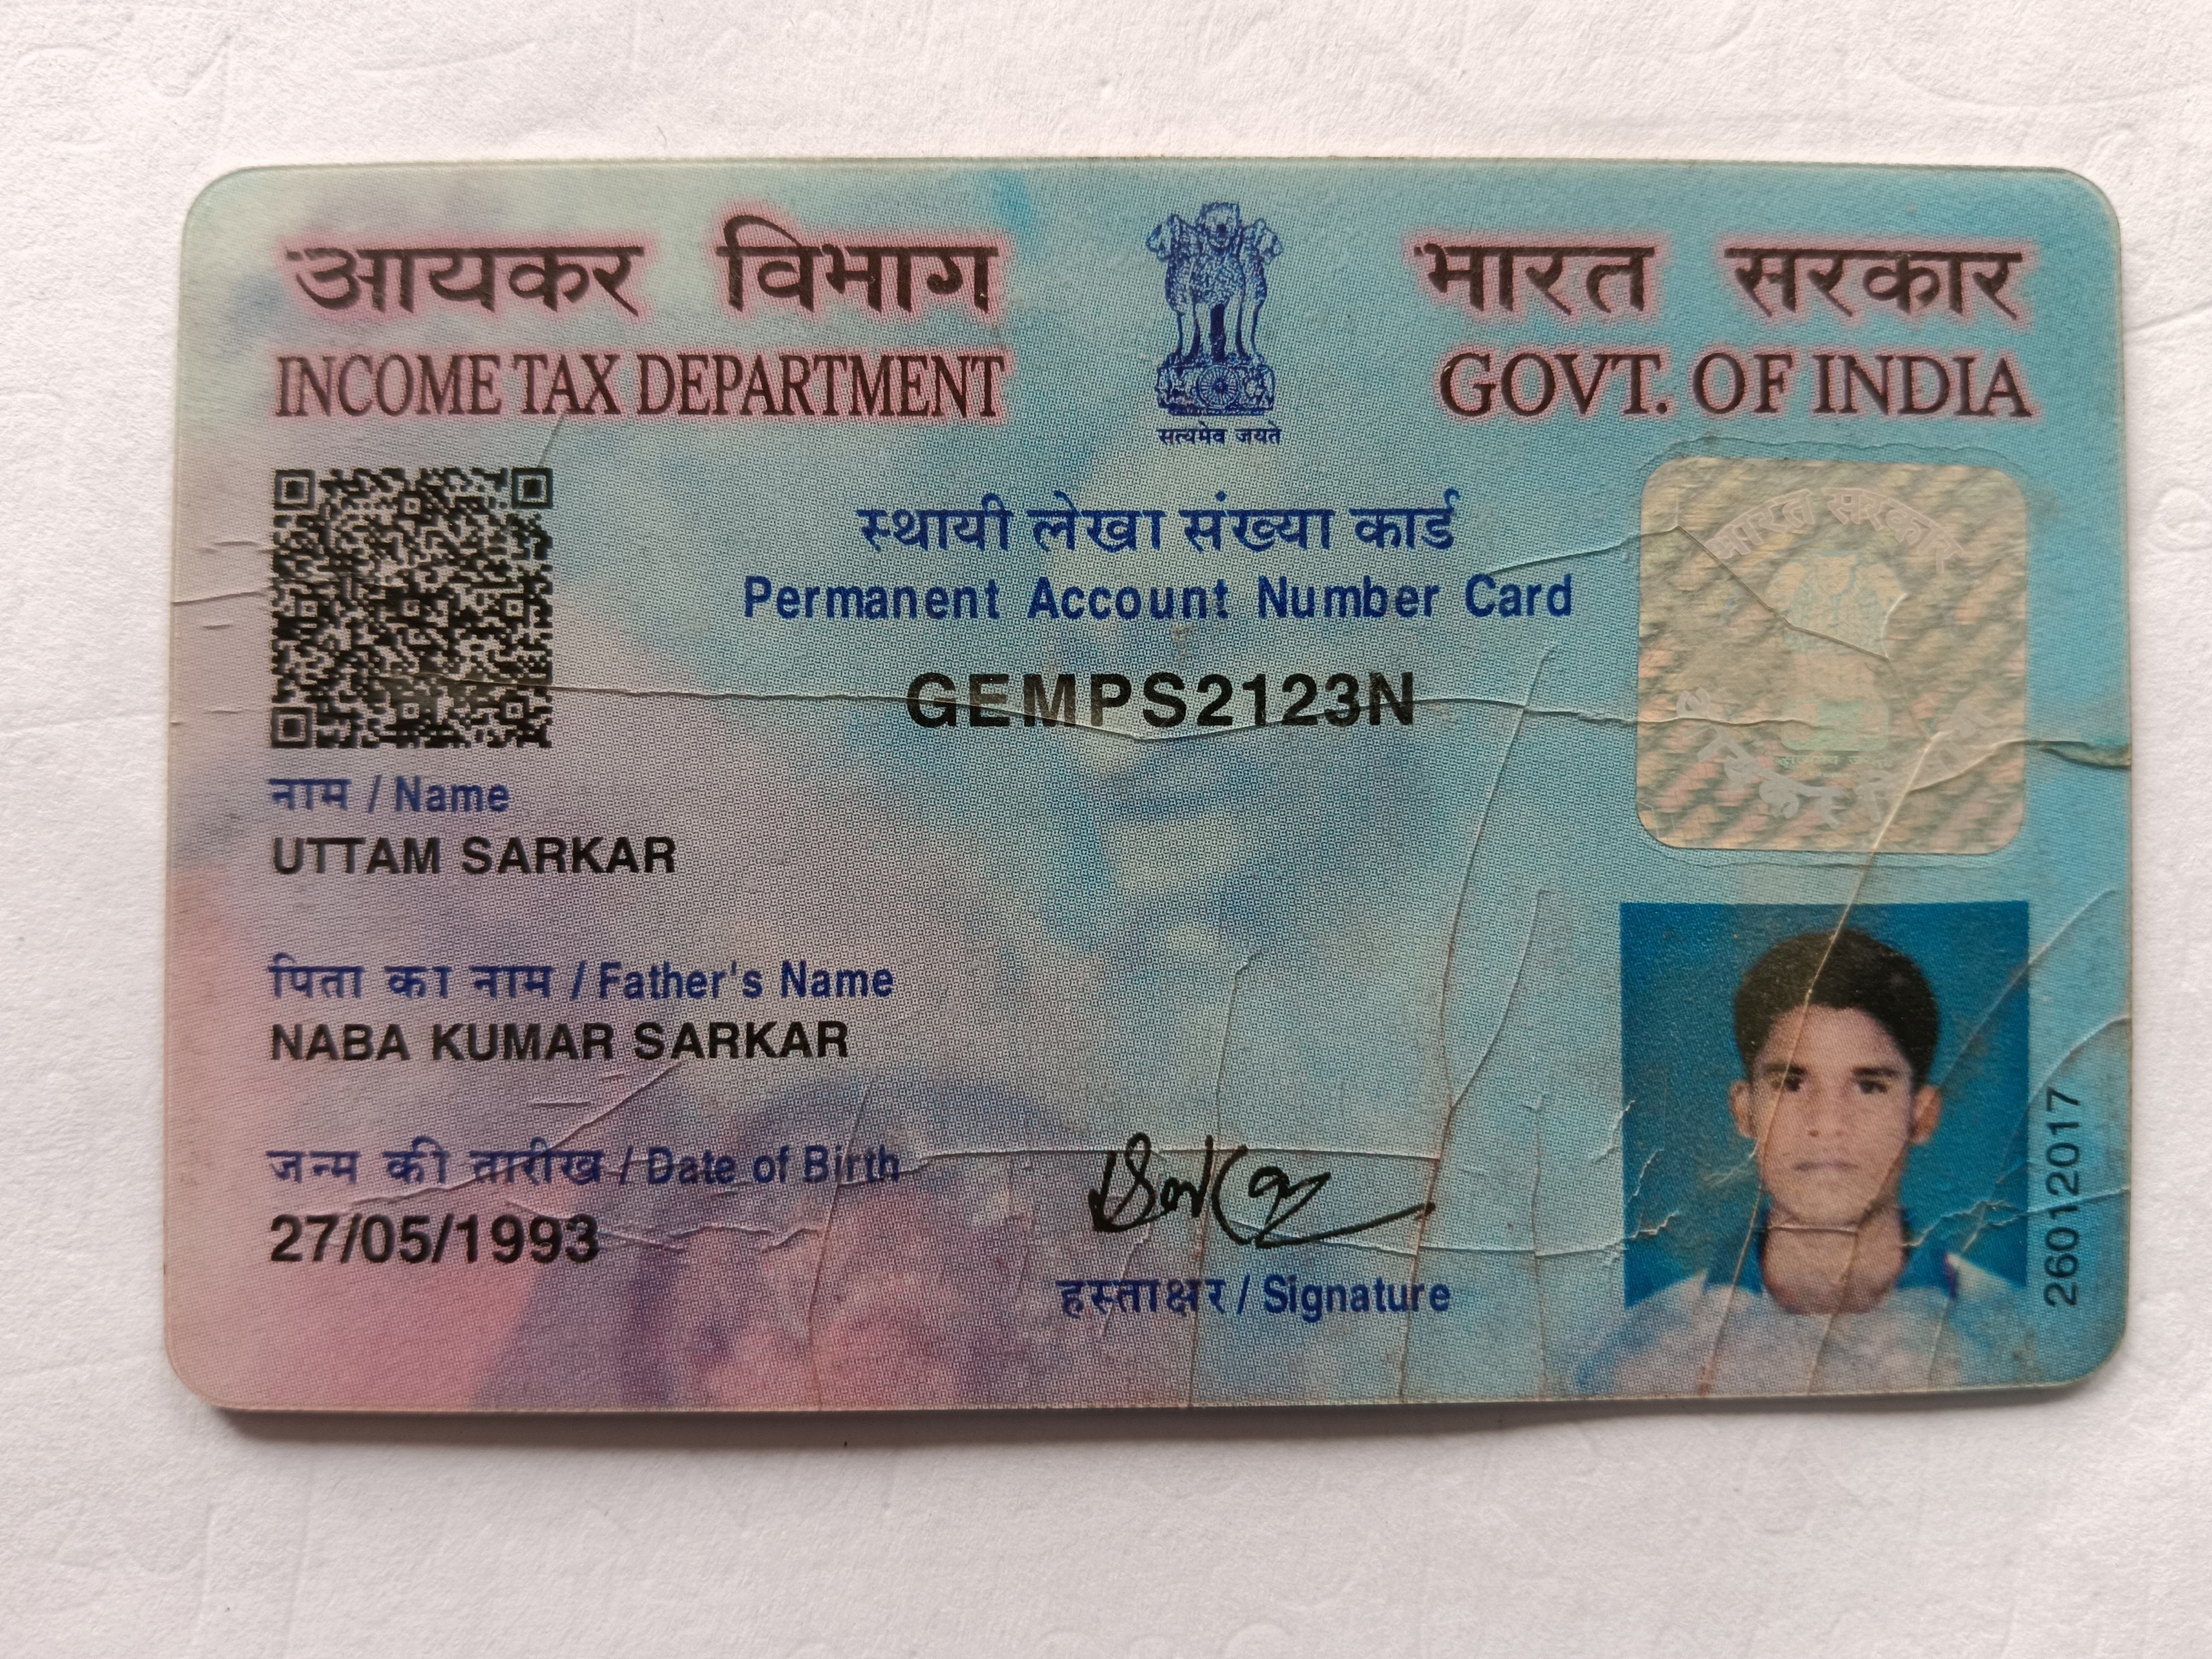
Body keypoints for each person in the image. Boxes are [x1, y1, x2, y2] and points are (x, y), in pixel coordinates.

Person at [1577, 927, 2036, 1395]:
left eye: (1869, 1086)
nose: (1827, 1123)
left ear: (1921, 1116)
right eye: (1791, 1084)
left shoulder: (2019, 1338)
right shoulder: (1639, 1352)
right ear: (1745, 1111)